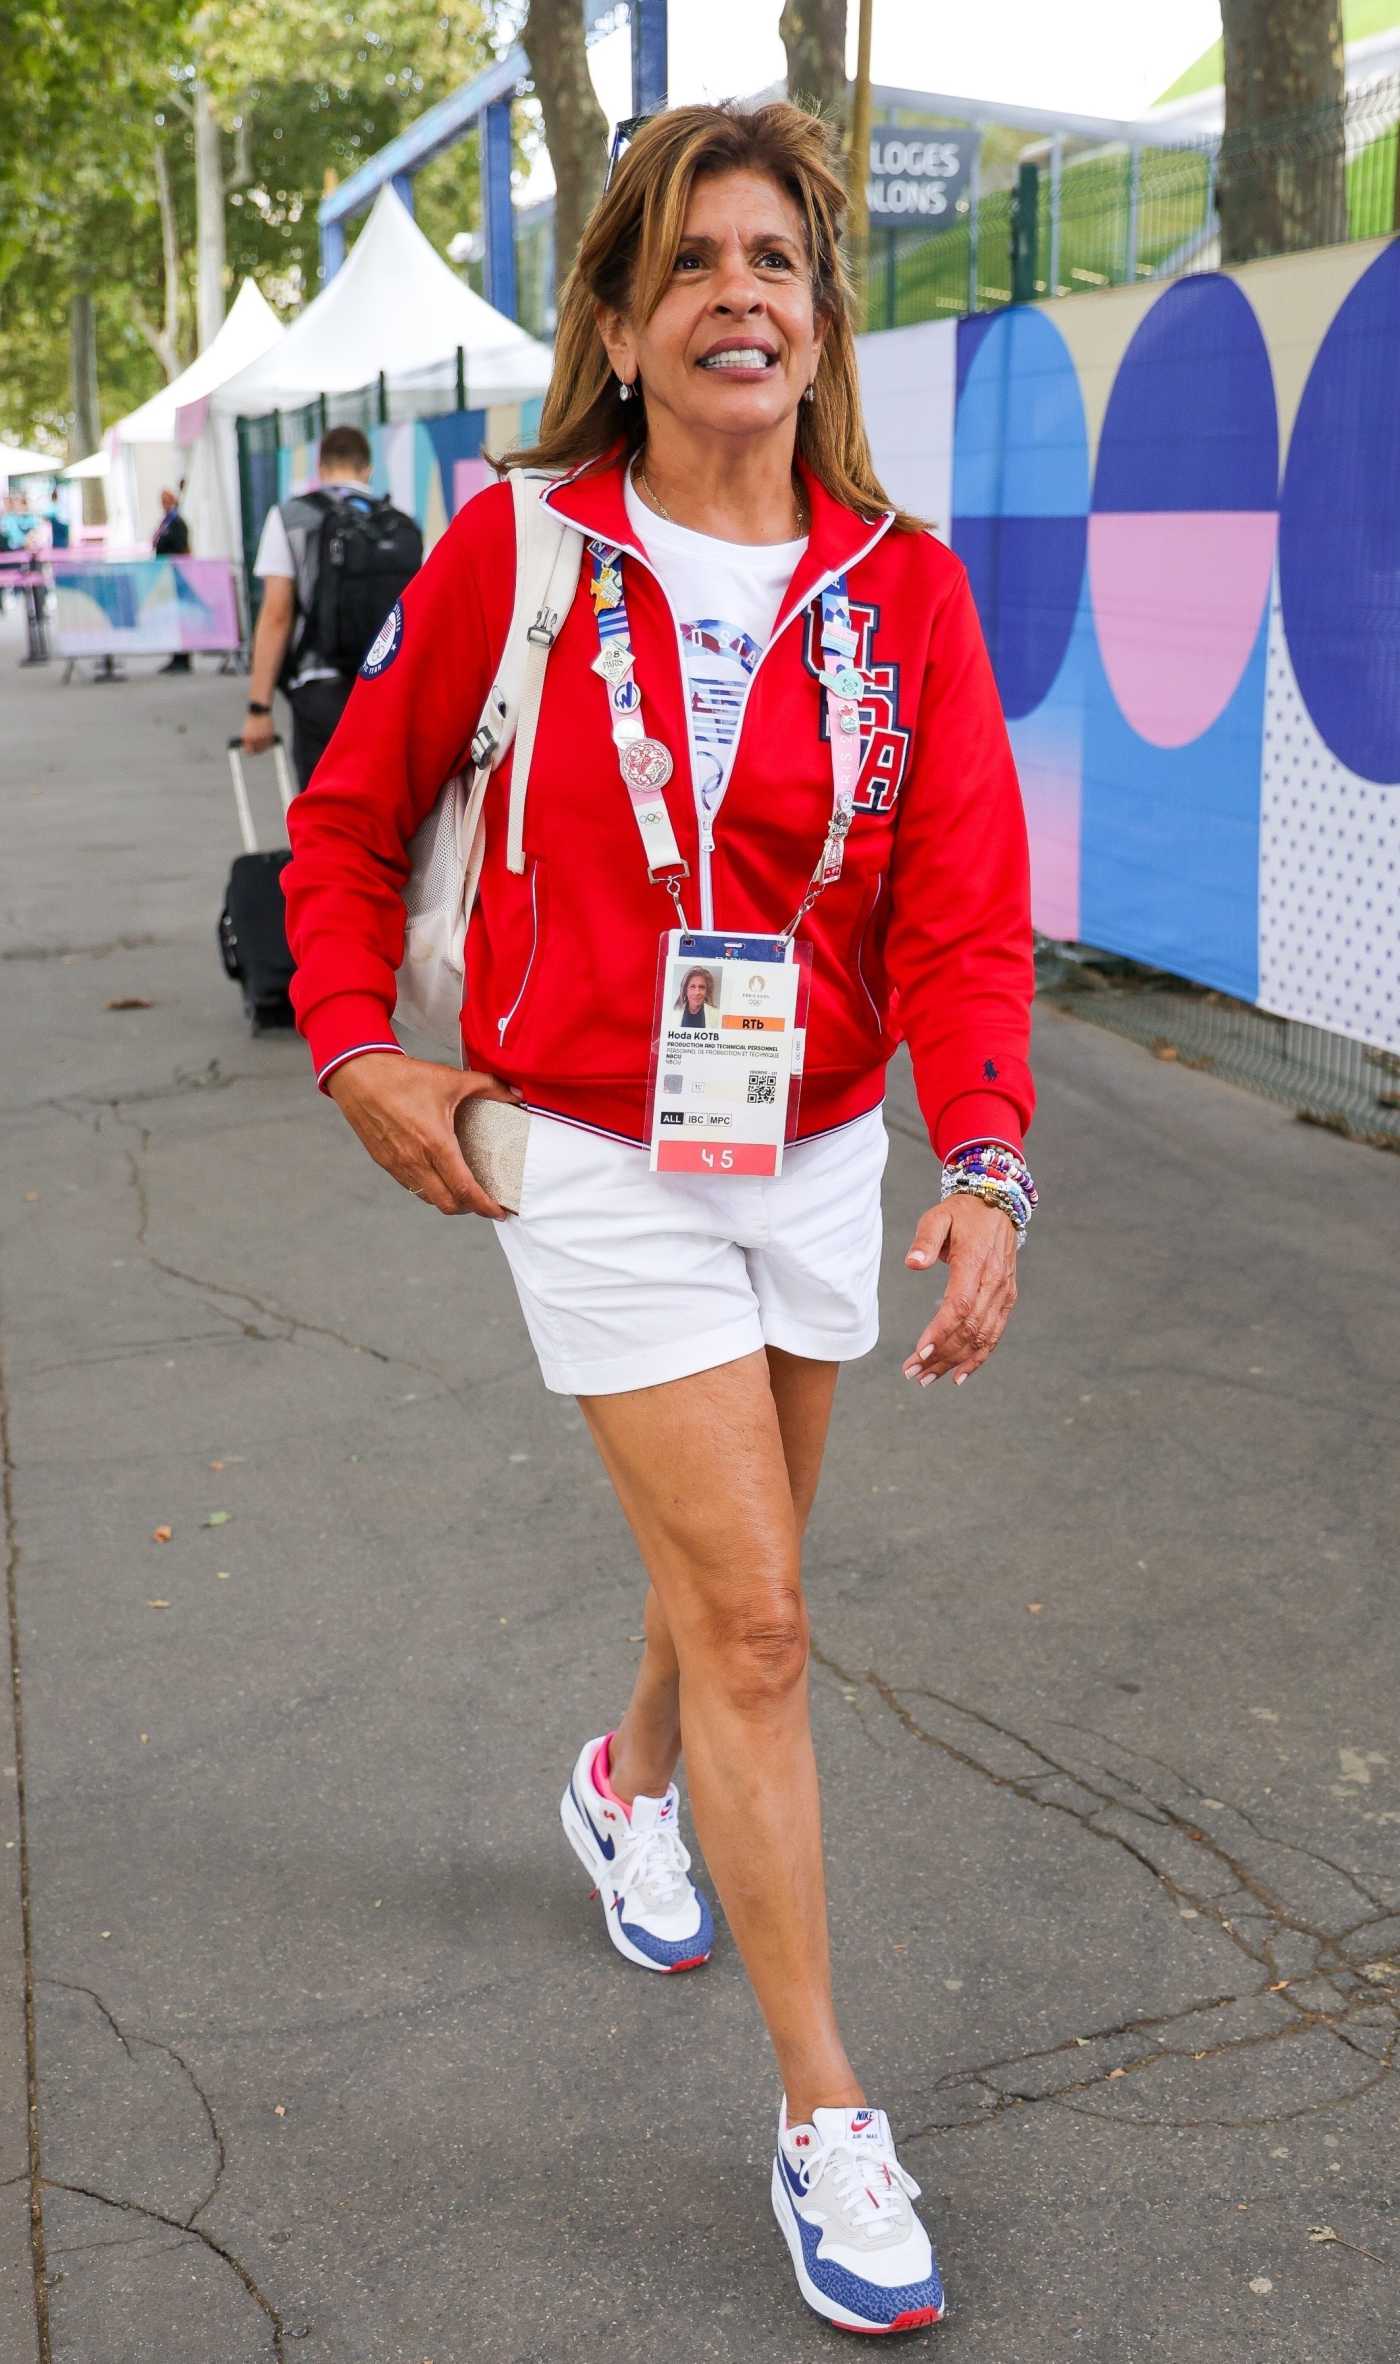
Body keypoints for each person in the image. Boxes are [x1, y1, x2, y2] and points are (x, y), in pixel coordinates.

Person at [282, 102, 1038, 2338]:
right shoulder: (516, 550)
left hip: (810, 1145)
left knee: (740, 1594)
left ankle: (626, 1788)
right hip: (589, 1151)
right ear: (617, 326)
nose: (739, 292)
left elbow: (964, 913)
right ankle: (823, 2114)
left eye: (777, 261)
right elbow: (345, 832)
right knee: (771, 1632)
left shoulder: (900, 590)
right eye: (691, 261)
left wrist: (980, 1158)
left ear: (818, 325)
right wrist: (354, 1048)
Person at [241, 424, 421, 792]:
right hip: (388, 694)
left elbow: (277, 613)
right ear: (367, 469)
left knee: (325, 816)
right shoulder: (402, 525)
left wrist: (259, 708)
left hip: (320, 691)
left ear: (320, 469)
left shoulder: (290, 517)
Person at [152, 487, 192, 672]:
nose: (164, 504)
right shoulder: (167, 522)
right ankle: (176, 656)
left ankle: (183, 658)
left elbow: (181, 548)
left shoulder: (177, 523)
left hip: (177, 575)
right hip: (167, 576)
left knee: (181, 617)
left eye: (166, 500)